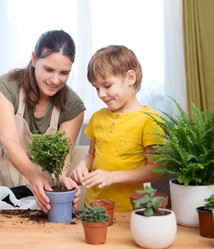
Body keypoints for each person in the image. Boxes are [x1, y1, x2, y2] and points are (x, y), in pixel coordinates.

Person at [0, 30, 85, 213]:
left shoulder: (73, 107)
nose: (55, 80)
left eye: (64, 73)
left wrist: (62, 179)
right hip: (4, 171)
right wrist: (34, 176)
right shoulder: (4, 88)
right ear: (34, 59)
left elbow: (61, 157)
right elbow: (10, 142)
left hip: (43, 183)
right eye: (49, 69)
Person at [70, 45, 164, 211]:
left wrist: (112, 177)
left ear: (130, 78)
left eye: (107, 86)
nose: (101, 94)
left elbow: (155, 170)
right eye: (97, 88)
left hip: (128, 210)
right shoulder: (97, 118)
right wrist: (83, 166)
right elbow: (92, 154)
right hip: (93, 206)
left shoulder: (150, 121)